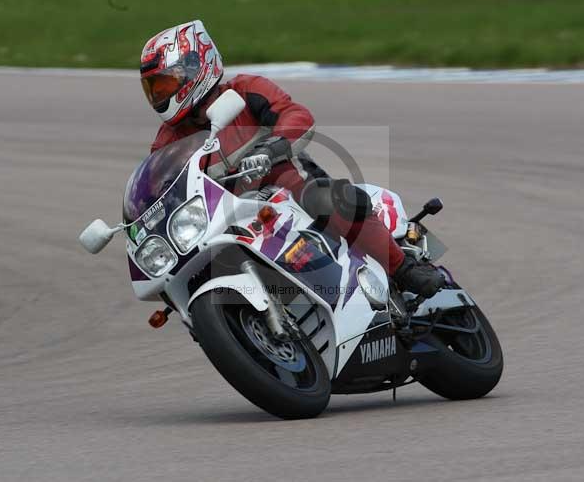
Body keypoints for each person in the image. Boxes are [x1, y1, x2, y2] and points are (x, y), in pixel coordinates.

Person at [140, 20, 442, 298]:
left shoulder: (246, 90)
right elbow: (157, 187)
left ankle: (403, 269)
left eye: (165, 85)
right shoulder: (168, 140)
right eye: (154, 90)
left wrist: (271, 149)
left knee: (328, 198)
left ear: (196, 67)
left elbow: (296, 115)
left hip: (292, 187)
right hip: (231, 218)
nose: (159, 96)